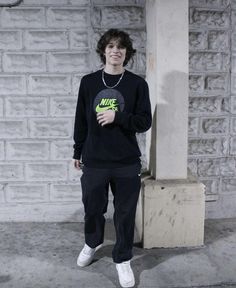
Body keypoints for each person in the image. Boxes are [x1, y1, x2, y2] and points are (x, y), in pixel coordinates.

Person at [73, 28, 152, 288]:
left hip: (126, 161)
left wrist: (118, 117)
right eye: (110, 46)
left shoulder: (137, 84)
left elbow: (144, 122)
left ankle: (122, 258)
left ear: (127, 53)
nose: (115, 51)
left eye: (120, 47)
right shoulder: (89, 82)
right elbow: (81, 120)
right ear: (103, 51)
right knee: (93, 208)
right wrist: (77, 150)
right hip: (95, 159)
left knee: (125, 213)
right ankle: (92, 243)